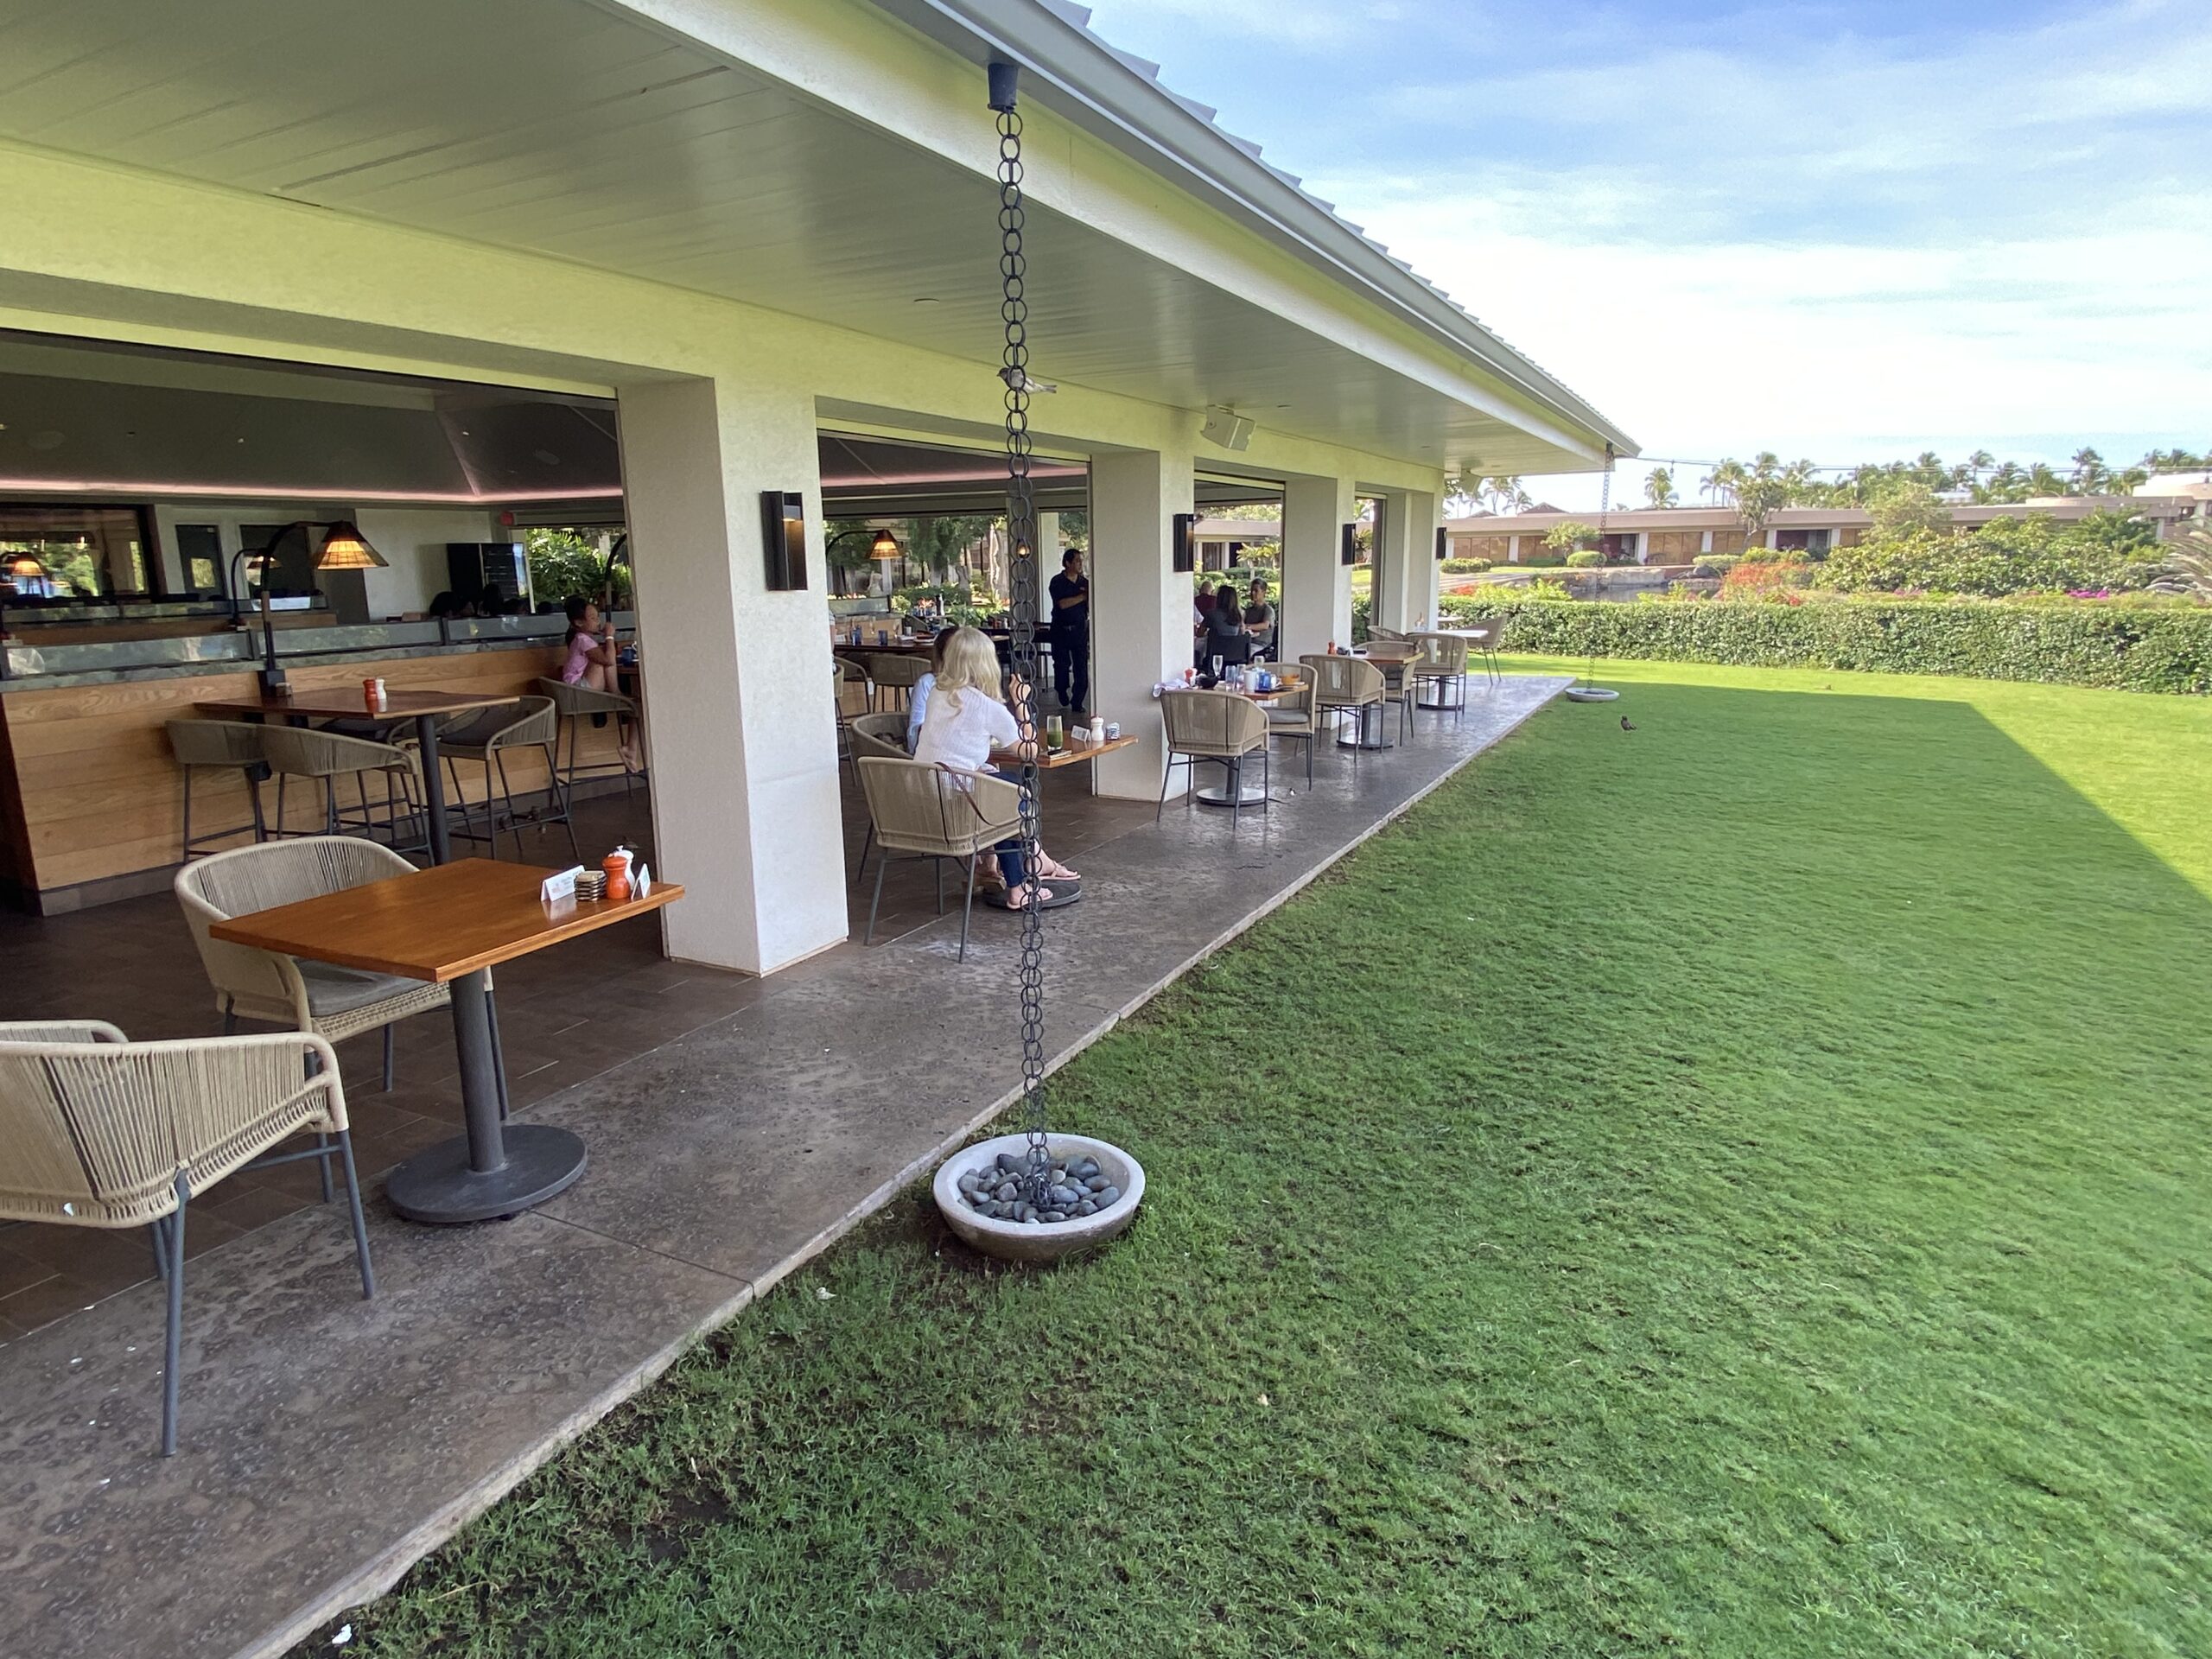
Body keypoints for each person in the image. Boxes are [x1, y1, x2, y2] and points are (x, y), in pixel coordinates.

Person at [912, 626, 1080, 906]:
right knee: (1014, 800)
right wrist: (1022, 704)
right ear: (987, 663)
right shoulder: (989, 709)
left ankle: (1024, 862)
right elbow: (1030, 752)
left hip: (925, 797)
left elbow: (948, 744)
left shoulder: (938, 694)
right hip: (958, 806)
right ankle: (1021, 879)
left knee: (1006, 790)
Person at [562, 595, 639, 770]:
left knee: (637, 706)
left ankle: (630, 748)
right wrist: (609, 637)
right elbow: (608, 660)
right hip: (577, 694)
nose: (598, 622)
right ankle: (616, 694)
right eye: (593, 618)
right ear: (579, 622)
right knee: (604, 660)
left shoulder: (583, 639)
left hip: (579, 691)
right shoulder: (582, 639)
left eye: (598, 617)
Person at [1047, 547, 1090, 715]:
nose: (1080, 564)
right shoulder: (1057, 581)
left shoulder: (1084, 583)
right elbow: (1062, 604)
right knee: (1062, 664)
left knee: (1081, 667)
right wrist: (1082, 597)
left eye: (1081, 561)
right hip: (1060, 629)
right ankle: (1062, 690)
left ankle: (1077, 701)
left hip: (1080, 629)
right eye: (1077, 561)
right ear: (1067, 563)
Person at [906, 625, 960, 753]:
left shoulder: (974, 684)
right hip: (935, 757)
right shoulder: (928, 683)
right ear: (942, 655)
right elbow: (914, 736)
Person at [1200, 582, 1250, 671]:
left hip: (1215, 658)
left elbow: (1199, 633)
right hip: (1236, 658)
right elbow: (1242, 633)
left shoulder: (1211, 614)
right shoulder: (1240, 615)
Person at [1243, 577, 1276, 660]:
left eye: (1256, 591)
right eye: (1252, 590)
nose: (1253, 593)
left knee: (1247, 653)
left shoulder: (1268, 610)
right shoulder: (1249, 611)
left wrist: (1247, 627)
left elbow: (1265, 625)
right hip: (1247, 642)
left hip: (1261, 645)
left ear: (1263, 592)